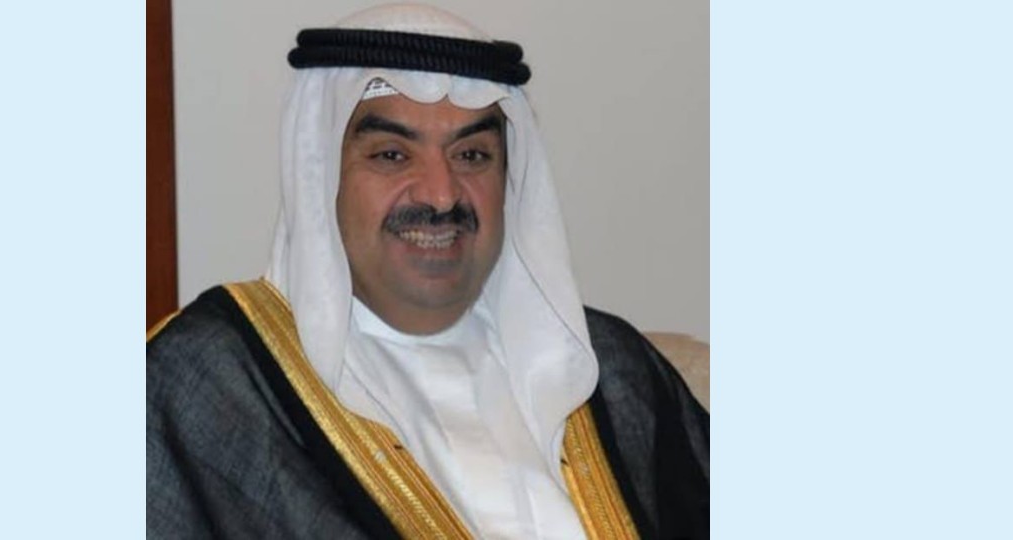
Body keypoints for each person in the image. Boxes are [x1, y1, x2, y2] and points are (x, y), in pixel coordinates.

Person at [147, 4, 708, 539]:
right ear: (321, 177)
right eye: (392, 155)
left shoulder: (608, 367)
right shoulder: (208, 380)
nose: (441, 195)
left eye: (471, 156)